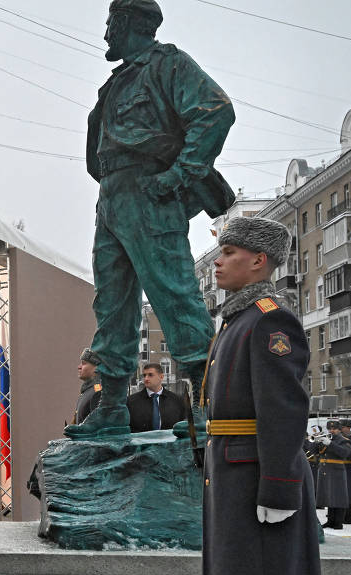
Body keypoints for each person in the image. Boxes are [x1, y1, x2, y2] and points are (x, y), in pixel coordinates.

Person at [65, 0, 235, 440]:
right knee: (112, 303)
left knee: (174, 294)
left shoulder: (167, 64)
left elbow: (215, 110)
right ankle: (111, 407)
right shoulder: (117, 82)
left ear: (128, 23)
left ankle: (206, 404)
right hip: (113, 197)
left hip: (149, 193)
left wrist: (179, 175)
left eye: (110, 24)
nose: (105, 34)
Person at [201, 217, 326, 575]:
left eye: (229, 253)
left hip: (257, 477)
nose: (218, 262)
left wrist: (278, 487)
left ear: (258, 260)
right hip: (236, 473)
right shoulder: (239, 319)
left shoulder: (269, 318)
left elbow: (283, 409)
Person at [126, 363, 185, 433]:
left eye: (150, 375)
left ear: (161, 377)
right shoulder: (131, 401)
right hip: (141, 439)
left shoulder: (177, 400)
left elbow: (183, 426)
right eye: (144, 375)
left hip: (170, 439)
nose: (146, 378)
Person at [315, 420, 351, 530]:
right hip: (325, 470)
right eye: (330, 429)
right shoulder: (326, 438)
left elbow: (344, 453)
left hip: (337, 471)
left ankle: (338, 522)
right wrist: (316, 442)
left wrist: (330, 444)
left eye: (334, 429)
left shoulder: (344, 440)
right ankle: (330, 521)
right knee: (329, 496)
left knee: (339, 497)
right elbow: (314, 452)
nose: (331, 431)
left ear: (339, 430)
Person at [73, 348, 103, 425]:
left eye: (84, 363)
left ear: (96, 367)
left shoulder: (98, 392)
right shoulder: (88, 391)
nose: (79, 367)